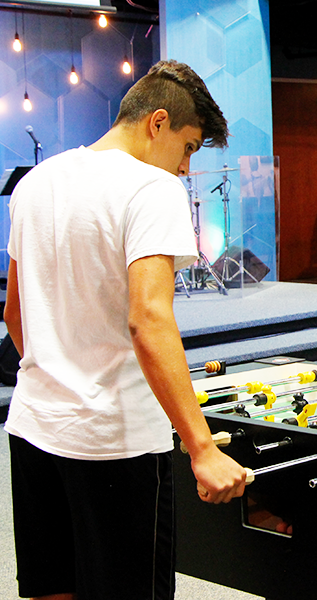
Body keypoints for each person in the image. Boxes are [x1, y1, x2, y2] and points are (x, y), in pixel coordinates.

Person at [3, 60, 248, 600]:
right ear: (158, 123)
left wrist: (62, 373)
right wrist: (201, 447)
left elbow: (14, 315)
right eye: (189, 147)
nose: (185, 167)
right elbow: (149, 318)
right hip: (116, 444)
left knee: (53, 590)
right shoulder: (153, 188)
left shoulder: (35, 183)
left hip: (34, 427)